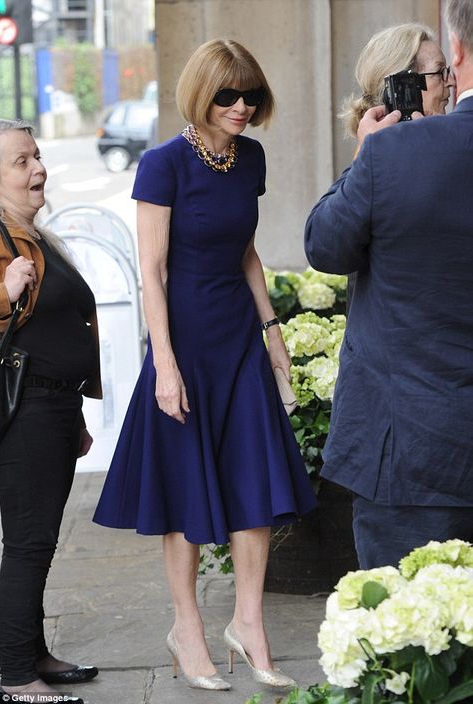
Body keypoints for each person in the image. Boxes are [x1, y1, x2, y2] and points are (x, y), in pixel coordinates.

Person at [94, 39, 316, 691]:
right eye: (226, 95)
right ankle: (186, 627)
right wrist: (163, 363)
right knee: (187, 488)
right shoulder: (163, 165)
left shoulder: (251, 159)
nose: (241, 106)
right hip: (183, 342)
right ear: (200, 94)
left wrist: (272, 328)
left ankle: (248, 624)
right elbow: (152, 274)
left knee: (255, 484)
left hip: (240, 338)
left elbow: (245, 251)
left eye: (251, 95)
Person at [304, 0, 473, 571]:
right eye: (433, 79)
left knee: (403, 640)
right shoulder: (394, 159)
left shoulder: (384, 158)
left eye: (446, 74)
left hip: (407, 450)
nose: (445, 87)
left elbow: (324, 247)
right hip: (422, 442)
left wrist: (366, 156)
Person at [0, 119, 102, 702]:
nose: (38, 168)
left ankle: (30, 651)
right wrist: (4, 289)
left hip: (51, 407)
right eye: (21, 161)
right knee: (29, 541)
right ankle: (15, 674)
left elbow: (51, 331)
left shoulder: (30, 233)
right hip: (26, 414)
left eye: (37, 157)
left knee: (38, 539)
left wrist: (77, 413)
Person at [340, 23, 456, 308]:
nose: (451, 82)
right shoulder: (376, 167)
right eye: (440, 72)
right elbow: (327, 245)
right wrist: (364, 156)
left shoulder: (449, 152)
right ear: (405, 88)